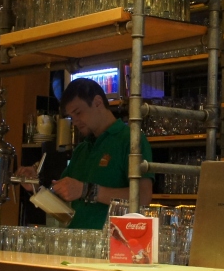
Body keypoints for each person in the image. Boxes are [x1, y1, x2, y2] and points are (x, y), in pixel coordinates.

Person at [17, 78, 152, 230]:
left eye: (78, 113)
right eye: (71, 117)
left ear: (98, 102)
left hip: (114, 241)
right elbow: (61, 198)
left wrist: (87, 190)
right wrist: (35, 186)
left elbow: (143, 198)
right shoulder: (82, 149)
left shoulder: (131, 139)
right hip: (78, 240)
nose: (75, 122)